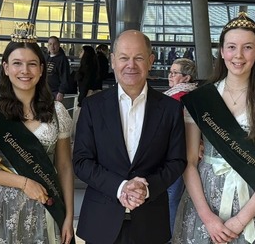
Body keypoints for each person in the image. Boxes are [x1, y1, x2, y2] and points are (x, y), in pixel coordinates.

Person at [173, 12, 255, 244]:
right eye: (231, 47)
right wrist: (208, 219)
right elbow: (189, 162)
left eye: (247, 47)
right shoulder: (201, 98)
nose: (238, 55)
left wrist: (240, 220)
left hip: (251, 202)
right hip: (203, 202)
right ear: (222, 51)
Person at [73, 30, 186, 244]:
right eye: (124, 58)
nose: (131, 65)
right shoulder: (92, 107)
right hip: (101, 223)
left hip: (150, 224)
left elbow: (176, 161)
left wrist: (146, 188)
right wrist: (121, 186)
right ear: (113, 61)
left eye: (139, 58)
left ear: (151, 61)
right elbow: (81, 162)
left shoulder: (170, 109)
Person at [0, 40, 75, 244]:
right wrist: (24, 183)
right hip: (4, 207)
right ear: (6, 68)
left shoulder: (57, 112)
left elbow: (64, 167)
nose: (25, 70)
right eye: (17, 63)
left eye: (32, 64)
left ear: (42, 69)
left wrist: (69, 216)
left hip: (48, 204)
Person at [164, 58, 198, 232]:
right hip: (186, 155)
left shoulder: (178, 98)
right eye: (170, 72)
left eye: (174, 73)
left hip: (175, 155)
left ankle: (171, 236)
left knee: (172, 198)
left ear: (186, 78)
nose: (170, 75)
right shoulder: (193, 96)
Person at [46, 36, 71, 101]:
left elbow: (65, 76)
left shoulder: (62, 59)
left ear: (59, 45)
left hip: (55, 92)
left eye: (55, 44)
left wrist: (61, 92)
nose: (52, 46)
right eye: (50, 44)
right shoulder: (46, 58)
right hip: (45, 91)